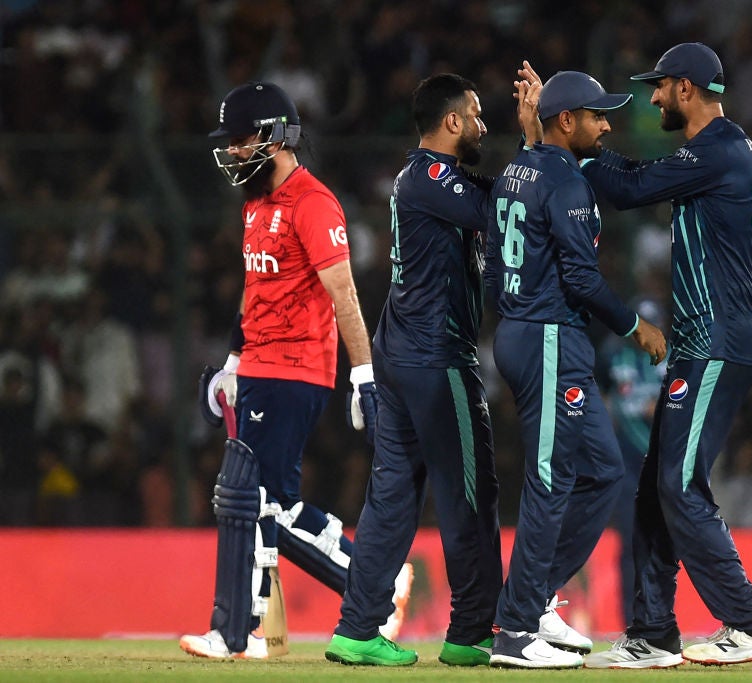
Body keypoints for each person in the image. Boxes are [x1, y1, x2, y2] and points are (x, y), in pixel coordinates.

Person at [180, 81, 411, 659]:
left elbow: (346, 295)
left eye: (241, 140)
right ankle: (291, 616)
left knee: (251, 498)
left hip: (298, 367)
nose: (233, 152)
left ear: (278, 136)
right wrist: (233, 360)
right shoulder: (256, 203)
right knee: (265, 501)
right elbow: (255, 287)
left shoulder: (314, 203)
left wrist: (363, 377)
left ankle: (244, 629)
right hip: (260, 364)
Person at [578, 43, 752, 668]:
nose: (655, 98)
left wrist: (569, 151)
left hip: (720, 339)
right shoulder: (714, 154)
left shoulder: (720, 149)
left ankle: (751, 624)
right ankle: (653, 634)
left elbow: (630, 187)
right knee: (653, 487)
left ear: (688, 88)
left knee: (677, 481)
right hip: (704, 341)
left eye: (662, 88)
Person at [484, 70, 667, 669]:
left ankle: (529, 600)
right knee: (550, 479)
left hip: (532, 332)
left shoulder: (522, 165)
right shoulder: (567, 182)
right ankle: (514, 632)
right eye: (598, 116)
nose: (608, 125)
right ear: (568, 120)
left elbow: (495, 262)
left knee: (603, 472)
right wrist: (633, 326)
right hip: (546, 338)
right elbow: (583, 278)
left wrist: (528, 132)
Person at [325, 73, 508, 668]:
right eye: (477, 116)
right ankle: (472, 632)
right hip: (437, 357)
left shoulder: (420, 177)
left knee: (393, 495)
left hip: (399, 352)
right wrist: (539, 149)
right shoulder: (434, 178)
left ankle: (356, 629)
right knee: (468, 494)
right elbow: (498, 208)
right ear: (452, 122)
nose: (484, 126)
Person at [596, 296, 667, 626]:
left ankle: (659, 619)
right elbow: (601, 390)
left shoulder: (670, 360)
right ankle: (633, 622)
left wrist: (663, 411)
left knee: (660, 545)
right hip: (626, 467)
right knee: (630, 545)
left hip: (659, 464)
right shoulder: (613, 357)